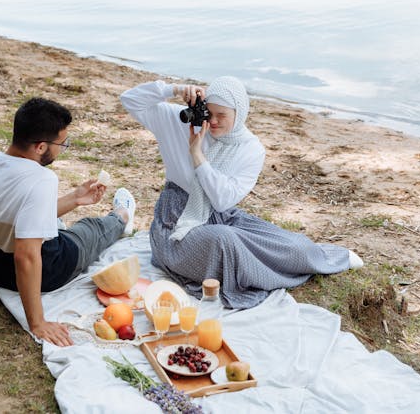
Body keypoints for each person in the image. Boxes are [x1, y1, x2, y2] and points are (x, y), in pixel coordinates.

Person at [121, 77, 363, 309]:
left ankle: (331, 258)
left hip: (219, 214)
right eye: (209, 112)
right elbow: (129, 99)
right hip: (174, 227)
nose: (212, 121)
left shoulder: (250, 148)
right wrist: (173, 89)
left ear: (239, 114)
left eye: (221, 115)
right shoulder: (182, 122)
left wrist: (198, 158)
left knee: (294, 244)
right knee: (225, 240)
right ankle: (258, 268)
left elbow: (222, 200)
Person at [0, 97, 136, 346]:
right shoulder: (41, 179)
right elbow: (26, 256)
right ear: (40, 147)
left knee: (54, 224)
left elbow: (19, 216)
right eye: (61, 143)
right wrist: (38, 322)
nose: (62, 148)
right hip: (48, 271)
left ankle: (103, 215)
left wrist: (76, 198)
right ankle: (122, 216)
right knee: (90, 229)